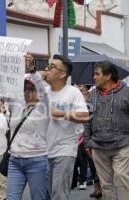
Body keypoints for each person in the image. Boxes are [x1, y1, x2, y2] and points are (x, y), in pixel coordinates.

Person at [43, 54, 89, 200]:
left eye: (52, 67)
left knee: (59, 194)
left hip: (64, 150)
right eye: (48, 66)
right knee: (49, 193)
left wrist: (62, 113)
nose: (47, 69)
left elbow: (85, 115)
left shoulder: (73, 92)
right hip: (44, 151)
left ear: (63, 74)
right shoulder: (43, 92)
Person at [84, 60, 129, 200]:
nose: (94, 77)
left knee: (122, 178)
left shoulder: (126, 92)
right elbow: (88, 119)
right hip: (98, 146)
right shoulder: (93, 95)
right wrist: (87, 142)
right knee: (105, 185)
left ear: (108, 75)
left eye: (97, 74)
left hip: (122, 145)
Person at [7, 62, 49, 200]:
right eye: (25, 88)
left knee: (38, 198)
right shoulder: (16, 105)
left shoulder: (44, 106)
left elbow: (42, 90)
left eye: (32, 88)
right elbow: (2, 87)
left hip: (37, 160)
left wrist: (32, 71)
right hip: (15, 160)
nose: (27, 92)